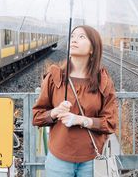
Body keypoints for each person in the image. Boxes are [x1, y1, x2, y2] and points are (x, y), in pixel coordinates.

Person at [32, 25, 118, 177]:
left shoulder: (103, 81)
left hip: (92, 160)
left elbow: (111, 123)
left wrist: (82, 120)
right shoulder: (55, 77)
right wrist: (54, 112)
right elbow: (37, 117)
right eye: (72, 36)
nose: (74, 40)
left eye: (81, 37)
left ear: (93, 48)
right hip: (58, 160)